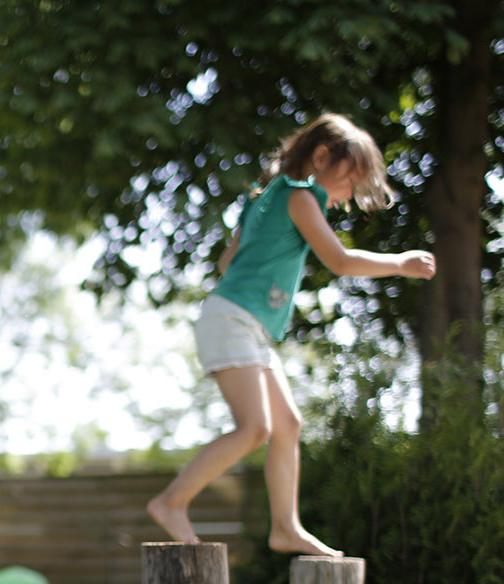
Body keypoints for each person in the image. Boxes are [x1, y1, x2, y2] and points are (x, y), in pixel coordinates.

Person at [144, 113, 436, 557]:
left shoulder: (263, 197)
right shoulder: (300, 197)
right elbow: (338, 261)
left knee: (287, 425)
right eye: (347, 183)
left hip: (245, 323)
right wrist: (401, 263)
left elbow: (228, 261)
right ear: (321, 157)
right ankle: (171, 501)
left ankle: (286, 527)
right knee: (254, 429)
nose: (346, 196)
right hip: (233, 321)